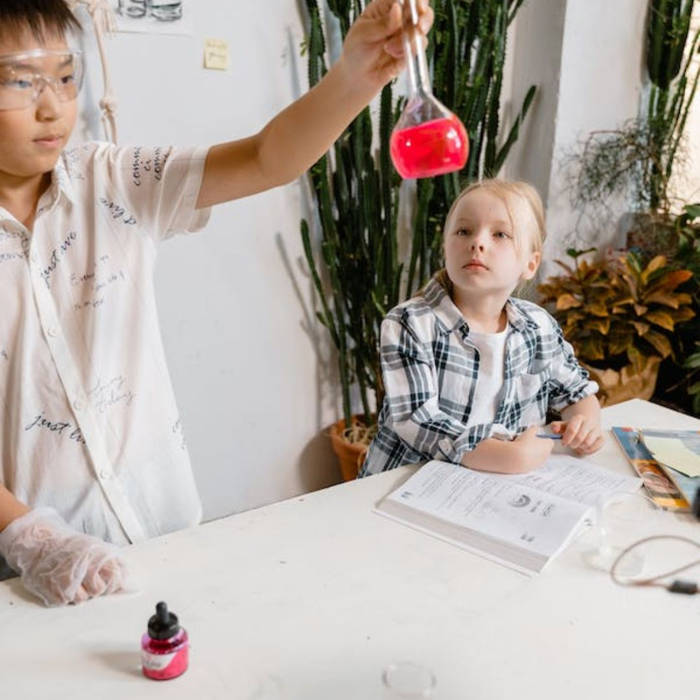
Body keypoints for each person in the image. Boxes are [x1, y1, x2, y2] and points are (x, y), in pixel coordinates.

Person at [0, 0, 435, 605]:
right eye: (19, 81)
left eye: (66, 77)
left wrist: (358, 73)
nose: (53, 106)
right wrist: (32, 538)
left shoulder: (113, 180)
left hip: (167, 535)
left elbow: (267, 159)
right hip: (34, 578)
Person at [360, 179, 604, 478]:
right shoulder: (410, 323)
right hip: (408, 485)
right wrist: (509, 458)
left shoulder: (538, 327)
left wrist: (584, 421)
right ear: (446, 248)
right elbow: (418, 421)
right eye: (464, 231)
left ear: (531, 263)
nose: (477, 242)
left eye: (500, 234)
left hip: (493, 488)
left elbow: (576, 392)